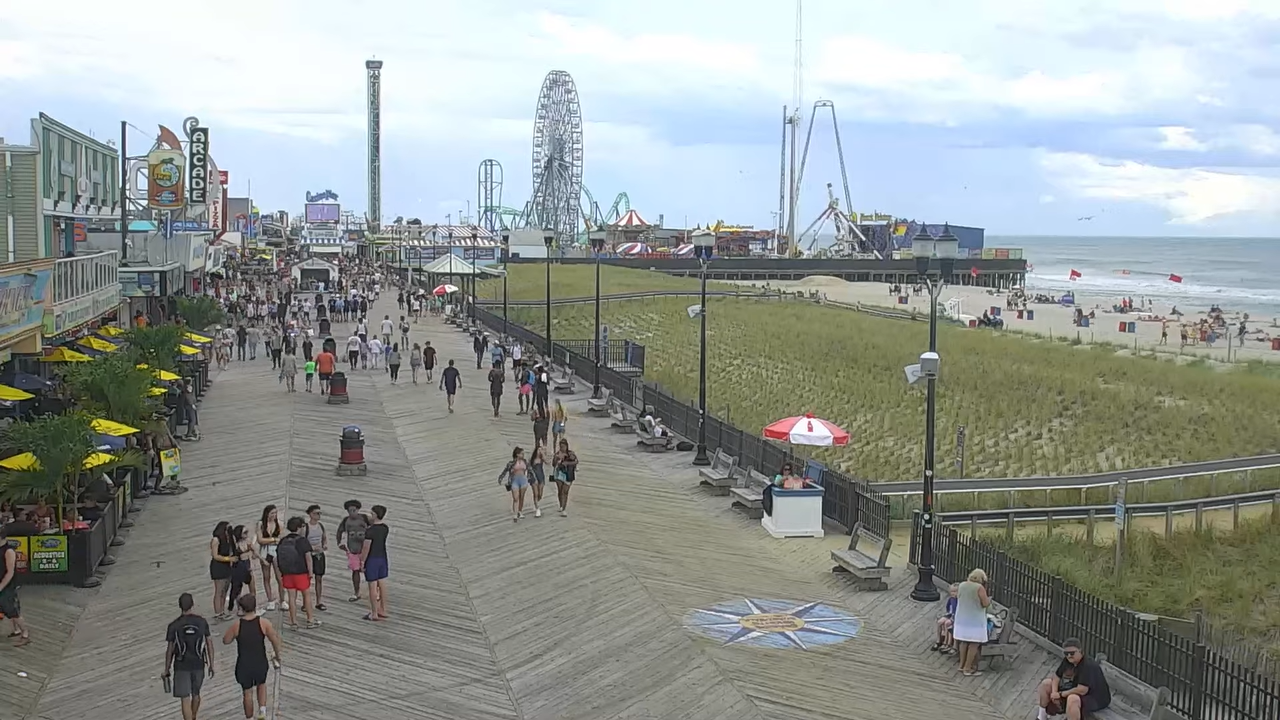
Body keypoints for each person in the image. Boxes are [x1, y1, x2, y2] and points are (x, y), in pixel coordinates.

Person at [222, 595, 282, 720]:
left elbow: (225, 640)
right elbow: (274, 640)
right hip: (260, 661)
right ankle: (262, 710)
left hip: (244, 664)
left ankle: (249, 717)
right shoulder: (263, 623)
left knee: (247, 692)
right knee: (262, 684)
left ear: (242, 608)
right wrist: (277, 655)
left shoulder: (237, 625)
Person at [164, 592, 214, 720]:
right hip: (198, 663)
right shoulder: (201, 622)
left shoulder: (174, 626)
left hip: (181, 665)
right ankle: (193, 716)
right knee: (196, 694)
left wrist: (167, 668)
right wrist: (211, 664)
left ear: (179, 606)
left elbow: (170, 649)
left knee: (185, 699)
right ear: (192, 604)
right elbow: (209, 643)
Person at [1037, 638, 1111, 719]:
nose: (1069, 656)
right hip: (1073, 689)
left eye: (1072, 653)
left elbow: (1082, 690)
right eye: (1066, 653)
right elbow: (1056, 676)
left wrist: (1061, 694)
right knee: (1046, 684)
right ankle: (1041, 717)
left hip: (1095, 698)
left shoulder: (1088, 665)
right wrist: (1054, 693)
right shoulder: (1068, 660)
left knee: (1072, 699)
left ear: (1080, 651)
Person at [277, 516, 319, 629]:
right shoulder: (302, 541)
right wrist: (310, 572)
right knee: (306, 595)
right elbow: (308, 557)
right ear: (299, 527)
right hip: (301, 572)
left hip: (287, 573)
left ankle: (293, 622)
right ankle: (310, 620)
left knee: (291, 597)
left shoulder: (283, 540)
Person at [953, 568, 992, 676]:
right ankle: (968, 668)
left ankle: (961, 665)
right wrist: (989, 599)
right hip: (974, 620)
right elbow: (985, 603)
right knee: (974, 643)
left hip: (961, 618)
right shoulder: (979, 588)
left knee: (964, 642)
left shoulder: (962, 585)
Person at [359, 505, 390, 622]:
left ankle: (374, 612)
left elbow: (366, 548)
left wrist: (362, 561)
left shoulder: (370, 531)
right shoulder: (385, 528)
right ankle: (383, 608)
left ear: (375, 515)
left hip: (372, 559)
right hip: (382, 557)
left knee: (372, 586)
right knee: (382, 584)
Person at [0, 524, 29, 646]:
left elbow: (10, 572)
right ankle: (16, 630)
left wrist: (1, 586)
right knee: (4, 610)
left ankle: (25, 634)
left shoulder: (9, 551)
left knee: (13, 612)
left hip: (7, 586)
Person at [335, 500, 368, 603]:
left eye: (354, 510)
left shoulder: (364, 518)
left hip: (365, 548)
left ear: (358, 510)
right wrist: (339, 543)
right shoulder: (346, 521)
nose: (352, 512)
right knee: (355, 570)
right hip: (352, 549)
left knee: (369, 569)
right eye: (350, 511)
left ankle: (374, 590)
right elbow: (339, 531)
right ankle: (356, 591)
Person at [209, 521, 236, 621]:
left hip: (227, 566)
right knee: (219, 590)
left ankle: (222, 610)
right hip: (218, 566)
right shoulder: (216, 540)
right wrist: (228, 559)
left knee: (225, 590)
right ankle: (218, 613)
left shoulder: (228, 539)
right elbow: (215, 555)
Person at [304, 505, 328, 612]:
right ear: (310, 514)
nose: (318, 515)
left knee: (319, 578)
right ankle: (306, 602)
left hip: (319, 555)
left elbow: (324, 538)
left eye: (319, 513)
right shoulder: (306, 527)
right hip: (309, 555)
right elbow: (302, 542)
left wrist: (325, 545)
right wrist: (311, 547)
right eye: (316, 513)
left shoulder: (321, 526)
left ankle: (318, 601)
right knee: (306, 579)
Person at [498, 447, 531, 521]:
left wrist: (530, 477)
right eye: (522, 454)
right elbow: (505, 471)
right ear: (517, 454)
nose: (523, 455)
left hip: (523, 480)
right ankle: (515, 514)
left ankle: (520, 511)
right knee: (515, 498)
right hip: (514, 480)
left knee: (521, 497)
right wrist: (501, 478)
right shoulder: (511, 463)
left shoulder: (525, 462)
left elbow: (530, 470)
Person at [552, 438, 578, 517]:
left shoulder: (571, 454)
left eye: (563, 446)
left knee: (565, 491)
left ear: (566, 446)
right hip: (559, 473)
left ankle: (564, 508)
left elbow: (576, 461)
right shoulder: (557, 454)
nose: (562, 448)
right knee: (560, 490)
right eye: (561, 446)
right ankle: (561, 505)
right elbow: (553, 464)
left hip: (568, 474)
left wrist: (567, 463)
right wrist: (556, 459)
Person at [932, 584, 959, 654]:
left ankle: (947, 643)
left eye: (955, 591)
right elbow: (948, 608)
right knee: (940, 622)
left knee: (947, 623)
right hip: (950, 615)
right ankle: (939, 640)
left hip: (955, 616)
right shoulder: (951, 599)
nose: (953, 593)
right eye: (951, 591)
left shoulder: (959, 600)